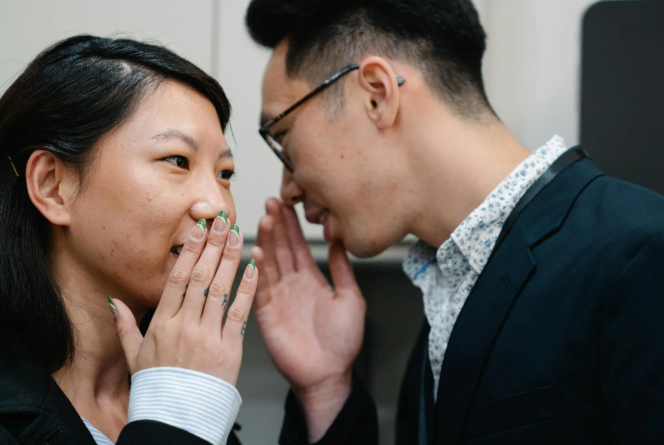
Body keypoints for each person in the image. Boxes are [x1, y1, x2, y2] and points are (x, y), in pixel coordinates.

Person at [244, 0, 664, 443]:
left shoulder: (641, 258)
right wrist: (326, 391)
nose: (287, 189)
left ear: (377, 94)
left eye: (283, 137)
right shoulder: (447, 295)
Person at [0, 35, 261, 445]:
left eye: (225, 174)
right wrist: (173, 421)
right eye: (177, 160)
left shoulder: (184, 388)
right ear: (52, 186)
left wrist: (306, 390)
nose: (218, 206)